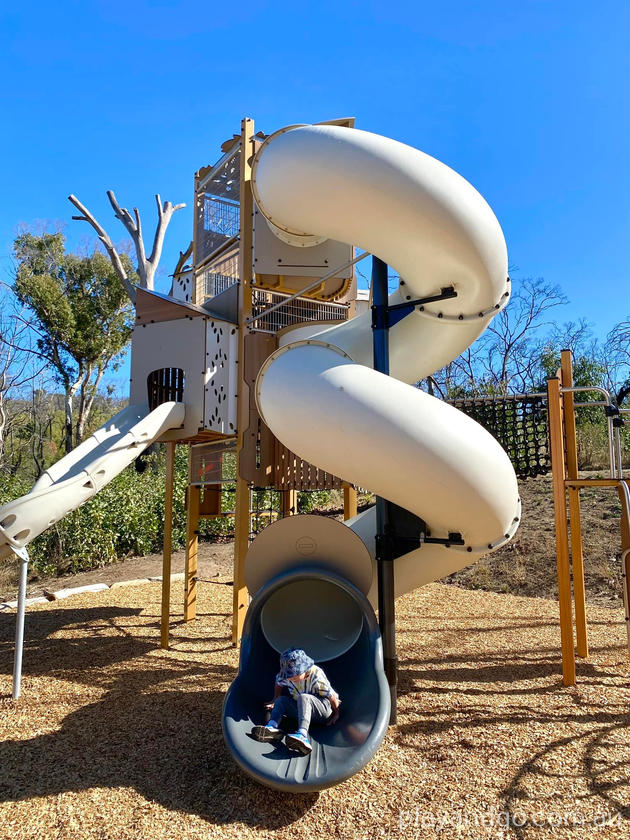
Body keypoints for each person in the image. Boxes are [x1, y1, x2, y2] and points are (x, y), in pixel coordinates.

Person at [251, 647, 341, 755]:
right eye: (289, 676)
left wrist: (336, 713)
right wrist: (275, 698)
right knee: (281, 700)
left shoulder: (316, 674)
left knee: (304, 697)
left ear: (304, 669)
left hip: (322, 710)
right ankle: (272, 727)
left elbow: (331, 696)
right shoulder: (288, 676)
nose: (291, 678)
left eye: (294, 675)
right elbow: (278, 682)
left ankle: (302, 735)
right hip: (301, 710)